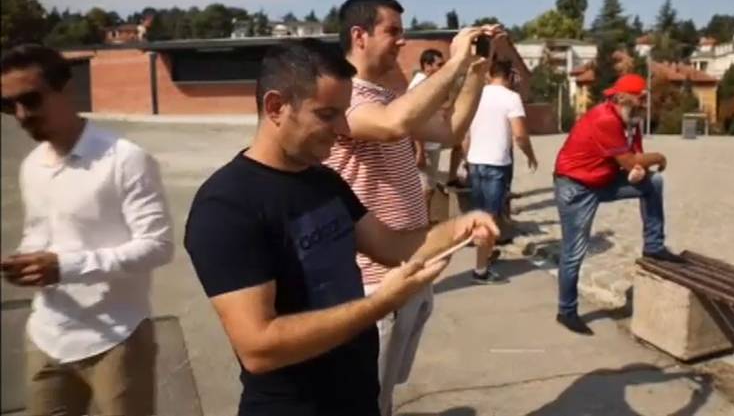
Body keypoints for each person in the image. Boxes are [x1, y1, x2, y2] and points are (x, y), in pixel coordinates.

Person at [183, 40, 498, 416]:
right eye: (327, 114)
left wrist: (460, 228)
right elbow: (259, 347)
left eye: (343, 113)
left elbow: (392, 246)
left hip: (358, 395)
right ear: (275, 107)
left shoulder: (323, 180)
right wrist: (379, 304)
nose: (341, 128)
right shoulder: (226, 207)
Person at [322, 0, 502, 416]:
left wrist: (476, 69)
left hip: (411, 270)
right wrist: (455, 62)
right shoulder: (340, 95)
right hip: (370, 280)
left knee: (383, 395)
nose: (403, 42)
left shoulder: (390, 94)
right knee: (361, 399)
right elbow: (392, 125)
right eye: (393, 32)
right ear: (359, 35)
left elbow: (452, 128)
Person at [0, 44, 174, 416]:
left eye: (30, 100)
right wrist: (26, 262)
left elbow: (158, 246)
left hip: (117, 340)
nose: (20, 115)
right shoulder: (32, 165)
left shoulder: (125, 159)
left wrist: (65, 266)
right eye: (7, 105)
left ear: (67, 90)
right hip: (47, 335)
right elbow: (40, 234)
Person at [552, 73, 684, 336]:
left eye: (645, 98)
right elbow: (630, 159)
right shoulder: (604, 118)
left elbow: (633, 159)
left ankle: (654, 246)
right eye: (640, 97)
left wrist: (638, 172)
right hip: (575, 187)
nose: (644, 102)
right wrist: (656, 157)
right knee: (574, 251)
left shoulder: (631, 119)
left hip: (603, 179)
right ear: (622, 97)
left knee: (653, 184)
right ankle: (566, 312)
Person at [465, 58, 538, 284]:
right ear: (509, 76)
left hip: (475, 161)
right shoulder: (511, 98)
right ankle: (480, 270)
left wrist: (467, 157)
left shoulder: (477, 95)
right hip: (496, 163)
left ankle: (484, 254)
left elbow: (465, 132)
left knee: (480, 216)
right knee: (490, 218)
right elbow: (520, 134)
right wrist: (531, 155)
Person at [409, 48, 446, 203]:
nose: (442, 68)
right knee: (426, 188)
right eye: (439, 64)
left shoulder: (427, 84)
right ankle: (423, 224)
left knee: (428, 187)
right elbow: (415, 120)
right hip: (426, 146)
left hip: (430, 144)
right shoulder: (420, 87)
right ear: (427, 65)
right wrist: (420, 151)